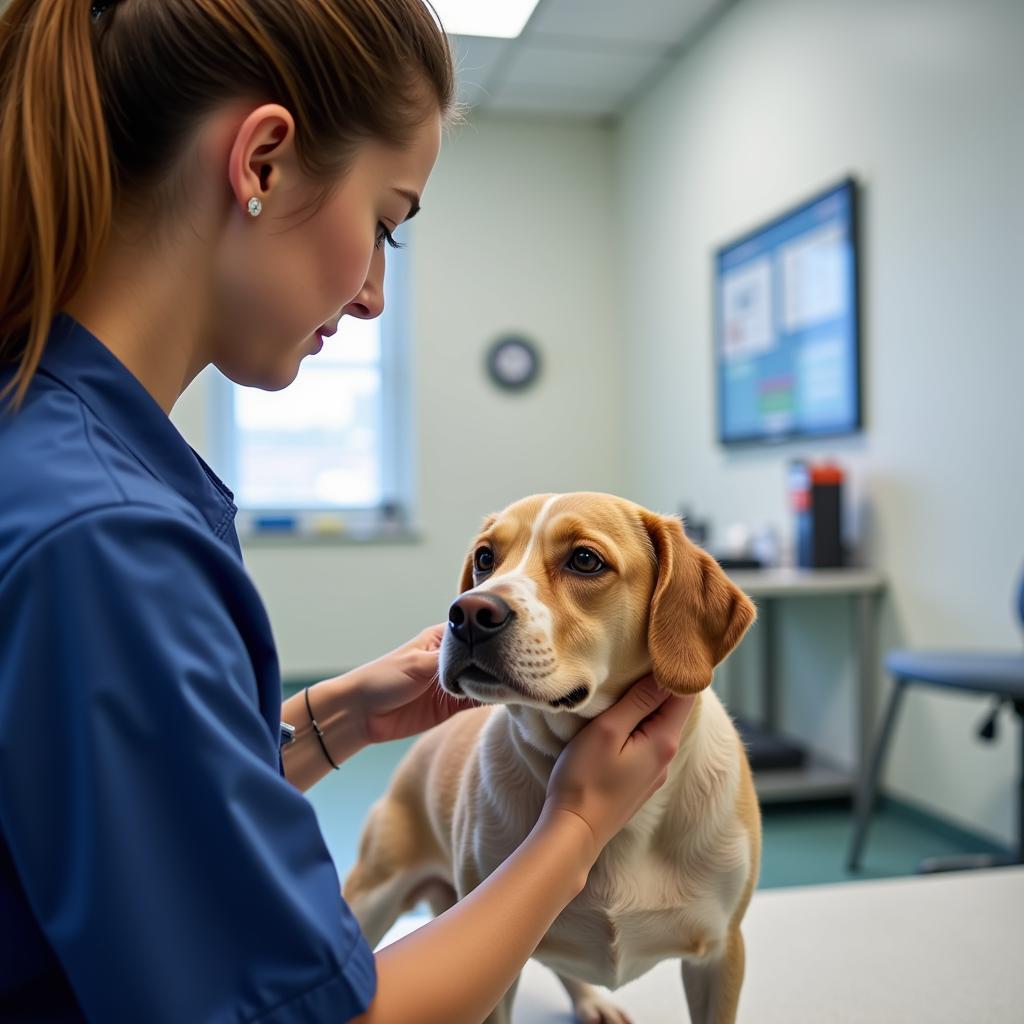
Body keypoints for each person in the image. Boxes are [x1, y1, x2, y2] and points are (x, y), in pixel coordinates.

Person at [0, 2, 696, 1021]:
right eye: (384, 224)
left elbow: (89, 799)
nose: (373, 293)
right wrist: (578, 822)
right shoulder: (108, 539)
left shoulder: (53, 451)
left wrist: (335, 717)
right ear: (264, 161)